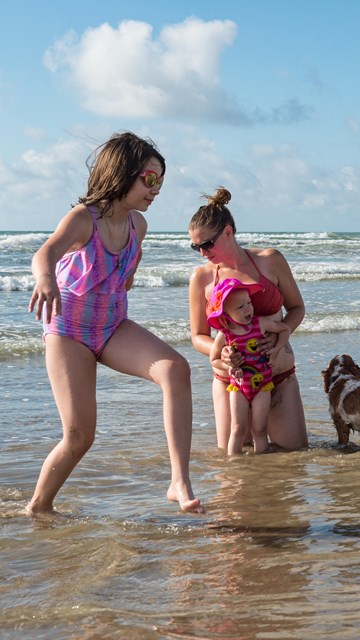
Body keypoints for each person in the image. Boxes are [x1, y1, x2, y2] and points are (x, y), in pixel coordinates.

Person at [26, 131, 203, 514]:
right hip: (68, 331)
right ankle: (39, 507)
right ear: (122, 173)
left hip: (111, 328)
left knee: (176, 369)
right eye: (149, 179)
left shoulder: (138, 226)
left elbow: (127, 273)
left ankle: (178, 480)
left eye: (160, 182)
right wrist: (46, 279)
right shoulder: (83, 219)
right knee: (79, 436)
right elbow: (47, 252)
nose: (155, 189)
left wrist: (124, 277)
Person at [188, 187, 308, 451]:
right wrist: (224, 351)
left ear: (228, 232)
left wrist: (280, 335)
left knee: (293, 462)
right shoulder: (202, 278)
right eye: (195, 246)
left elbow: (297, 307)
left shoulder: (270, 261)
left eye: (207, 244)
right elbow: (198, 335)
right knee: (236, 474)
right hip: (232, 383)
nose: (202, 253)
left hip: (278, 376)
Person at [207, 277, 291, 454]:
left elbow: (285, 329)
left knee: (259, 429)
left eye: (248, 303)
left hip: (262, 386)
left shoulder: (260, 324)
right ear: (225, 314)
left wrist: (276, 349)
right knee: (237, 429)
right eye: (240, 307)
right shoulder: (225, 334)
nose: (248, 308)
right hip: (238, 387)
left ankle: (260, 465)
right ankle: (234, 464)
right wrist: (228, 365)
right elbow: (213, 359)